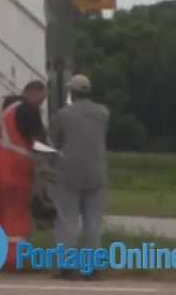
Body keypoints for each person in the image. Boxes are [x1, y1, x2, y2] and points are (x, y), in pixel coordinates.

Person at [0, 79, 49, 271]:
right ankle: (13, 261)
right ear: (34, 92)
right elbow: (38, 142)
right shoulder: (28, 110)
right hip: (16, 168)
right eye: (41, 99)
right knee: (16, 214)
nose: (41, 104)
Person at [49, 73, 110, 279]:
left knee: (67, 220)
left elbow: (55, 141)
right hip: (96, 172)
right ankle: (93, 268)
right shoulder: (103, 113)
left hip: (69, 173)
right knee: (93, 221)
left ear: (71, 92)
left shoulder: (63, 115)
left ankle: (67, 267)